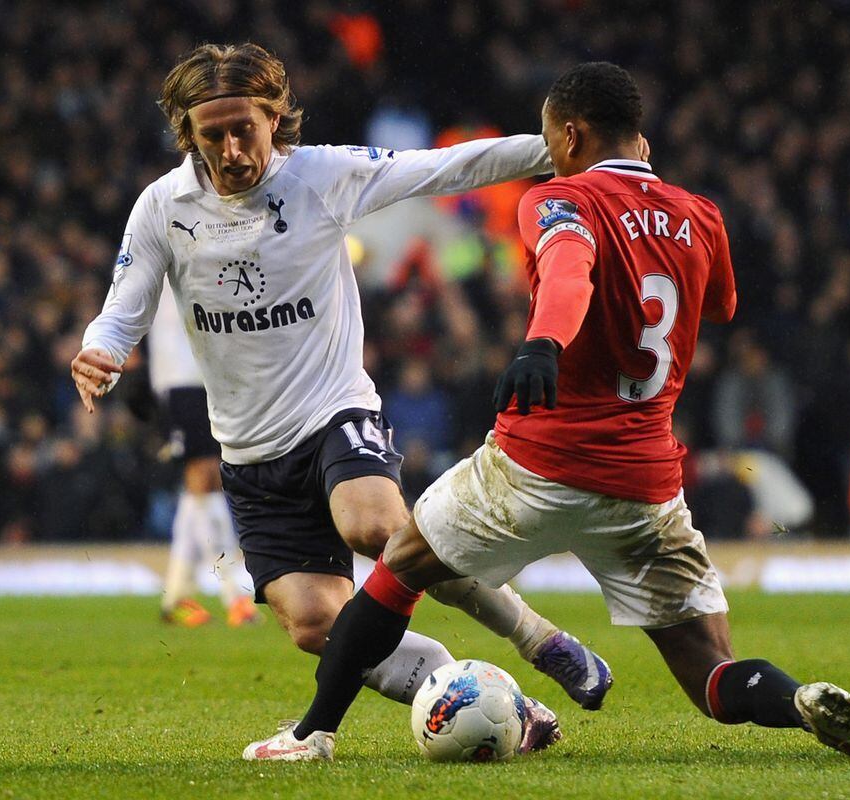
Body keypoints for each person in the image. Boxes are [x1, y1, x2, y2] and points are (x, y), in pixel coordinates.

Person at [274, 62, 850, 763]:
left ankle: (311, 734)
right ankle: (798, 703)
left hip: (536, 465)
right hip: (644, 484)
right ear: (640, 140)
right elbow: (723, 305)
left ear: (572, 133)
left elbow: (567, 270)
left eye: (552, 138)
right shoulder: (699, 213)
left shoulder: (560, 199)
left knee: (397, 571)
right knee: (711, 672)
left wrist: (543, 344)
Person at [70, 43, 610, 759]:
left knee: (378, 530)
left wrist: (565, 153)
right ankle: (489, 700)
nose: (233, 150)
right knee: (316, 626)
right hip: (250, 450)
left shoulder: (320, 174)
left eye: (246, 130)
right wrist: (101, 349)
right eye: (213, 135)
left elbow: (448, 167)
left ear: (274, 119)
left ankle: (538, 637)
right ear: (188, 134)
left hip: (333, 411)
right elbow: (123, 306)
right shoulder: (164, 208)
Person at [148, 277, 258, 627]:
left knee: (199, 489)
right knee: (206, 478)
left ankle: (177, 597)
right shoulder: (173, 231)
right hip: (182, 376)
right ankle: (235, 594)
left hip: (209, 375)